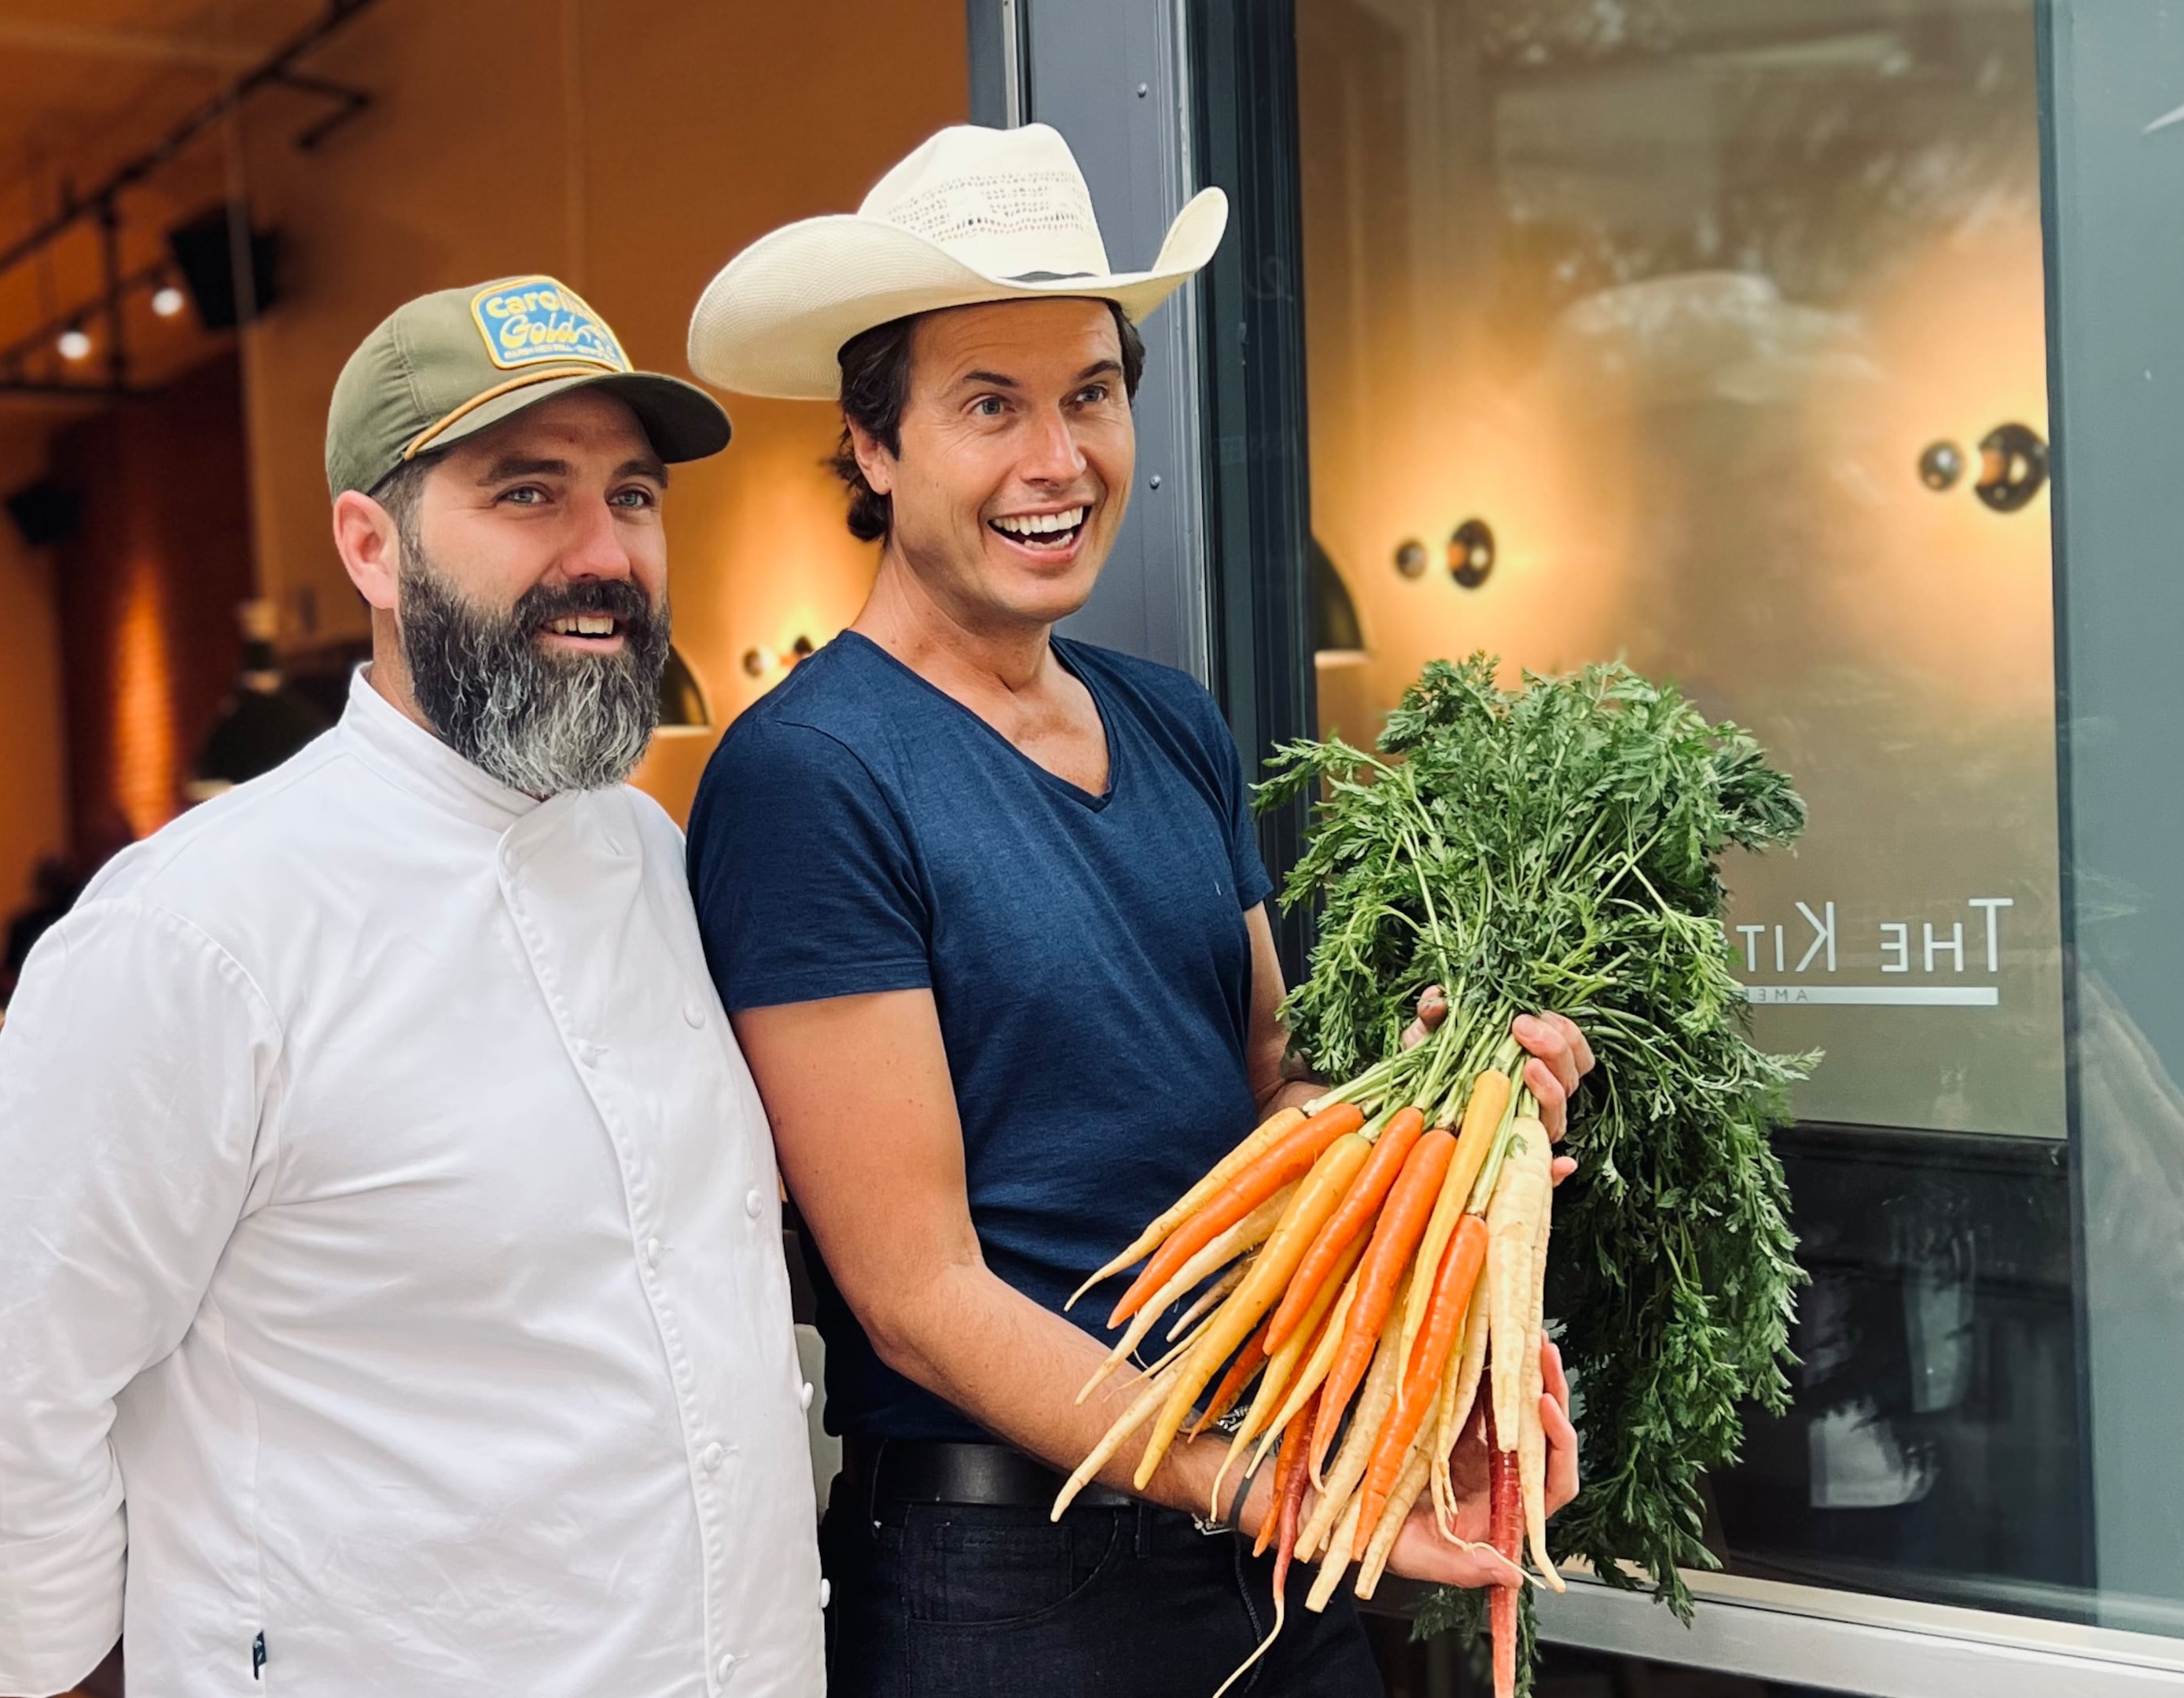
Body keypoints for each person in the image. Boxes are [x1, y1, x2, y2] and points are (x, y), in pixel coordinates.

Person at [682, 124, 1594, 1696]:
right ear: (874, 445)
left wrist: (1433, 1124)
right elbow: (920, 1298)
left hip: (1261, 1534)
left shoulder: (1171, 722)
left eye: (1090, 393)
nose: (1060, 460)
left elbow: (1264, 1094)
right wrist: (1261, 1482)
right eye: (990, 406)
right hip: (1010, 1587)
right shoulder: (810, 775)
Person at [0, 278, 822, 1698]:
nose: (603, 552)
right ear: (372, 548)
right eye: (529, 494)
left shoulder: (656, 856)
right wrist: (82, 1664)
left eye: (632, 496)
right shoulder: (197, 932)